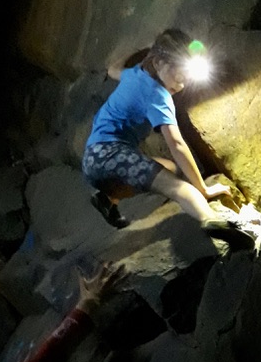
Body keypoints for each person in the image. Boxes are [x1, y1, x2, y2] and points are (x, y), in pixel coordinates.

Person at [82, 28, 250, 246]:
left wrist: (145, 48)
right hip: (111, 155)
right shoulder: (158, 97)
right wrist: (203, 188)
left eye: (185, 79)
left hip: (92, 157)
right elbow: (177, 144)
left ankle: (107, 199)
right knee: (179, 187)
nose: (181, 85)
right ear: (158, 63)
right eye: (179, 76)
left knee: (168, 168)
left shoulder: (134, 74)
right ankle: (212, 221)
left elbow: (113, 69)